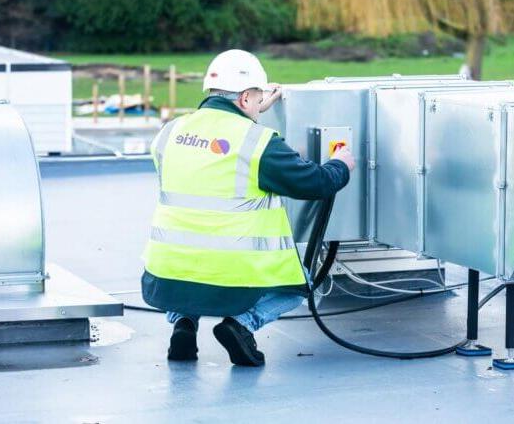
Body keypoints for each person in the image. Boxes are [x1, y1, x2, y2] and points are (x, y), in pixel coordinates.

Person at [141, 49, 354, 367]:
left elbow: (215, 155)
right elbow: (314, 184)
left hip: (167, 273)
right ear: (244, 99)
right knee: (303, 284)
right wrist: (341, 164)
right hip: (232, 278)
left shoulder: (169, 133)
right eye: (257, 99)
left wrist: (253, 111)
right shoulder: (258, 144)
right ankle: (241, 325)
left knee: (192, 275)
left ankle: (183, 322)